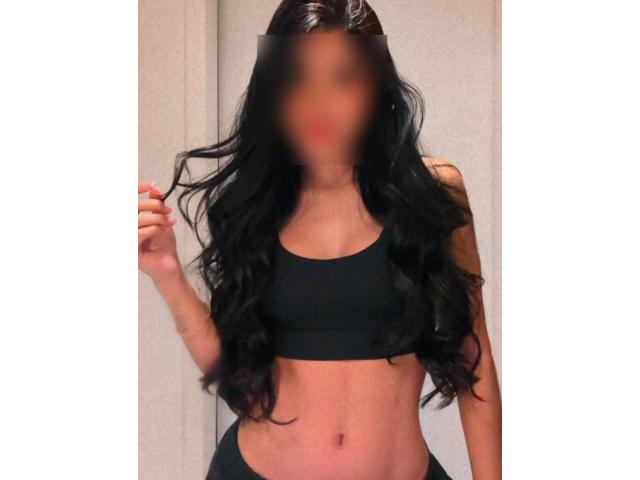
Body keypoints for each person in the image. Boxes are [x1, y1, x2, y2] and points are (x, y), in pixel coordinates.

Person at [138, 1, 501, 478]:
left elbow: (476, 366)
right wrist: (167, 275)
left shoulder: (432, 196)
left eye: (343, 78)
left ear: (377, 87)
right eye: (297, 78)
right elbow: (237, 383)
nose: (318, 103)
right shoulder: (253, 206)